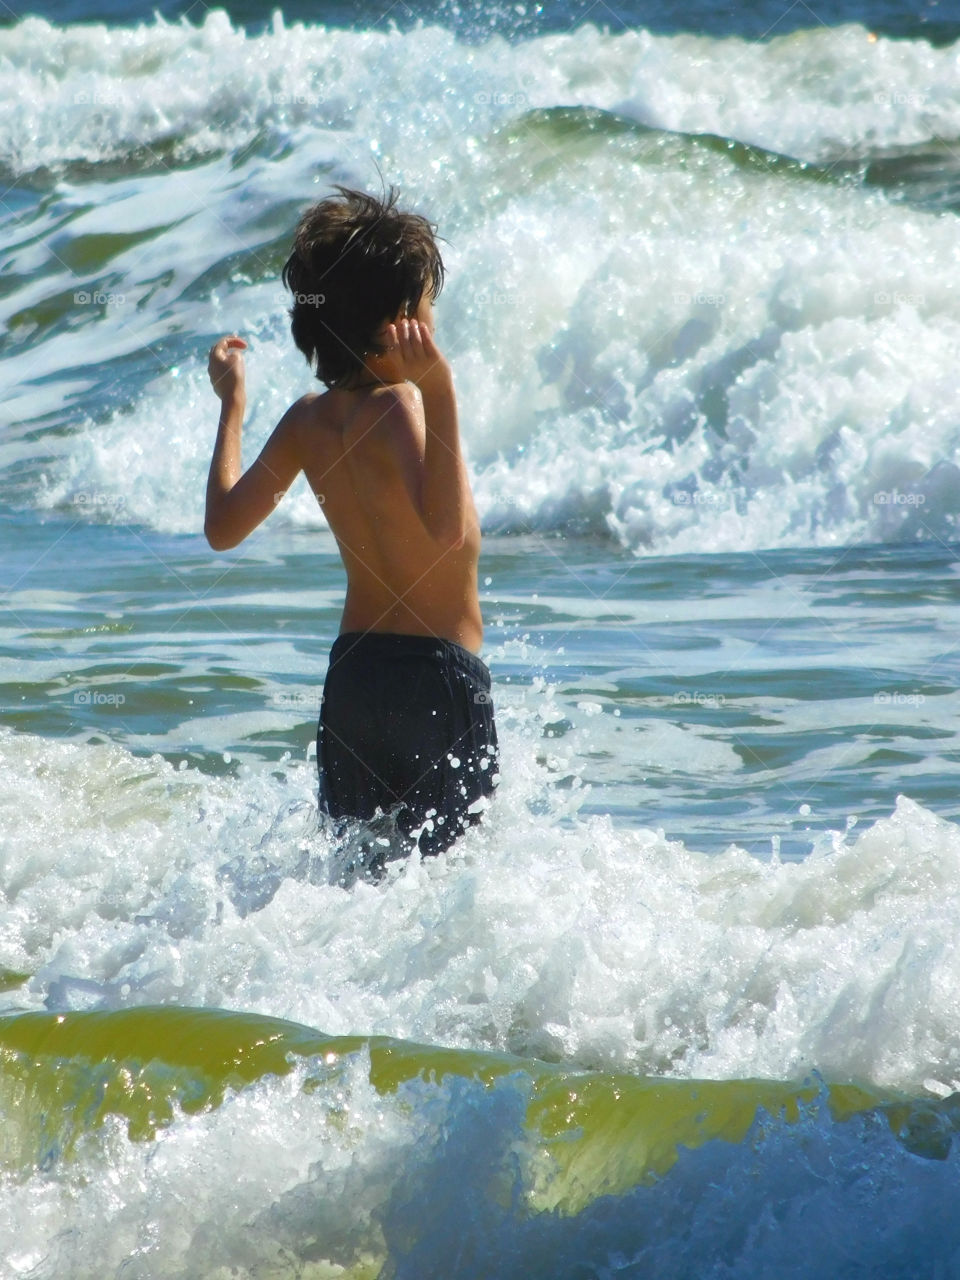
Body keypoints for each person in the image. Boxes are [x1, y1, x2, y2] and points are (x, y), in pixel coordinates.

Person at [204, 186, 498, 874]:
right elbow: (447, 533)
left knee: (355, 883)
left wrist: (233, 405)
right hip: (435, 681)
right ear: (400, 321)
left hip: (356, 682)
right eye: (428, 305)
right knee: (448, 889)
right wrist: (442, 391)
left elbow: (222, 528)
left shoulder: (309, 420)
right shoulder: (404, 407)